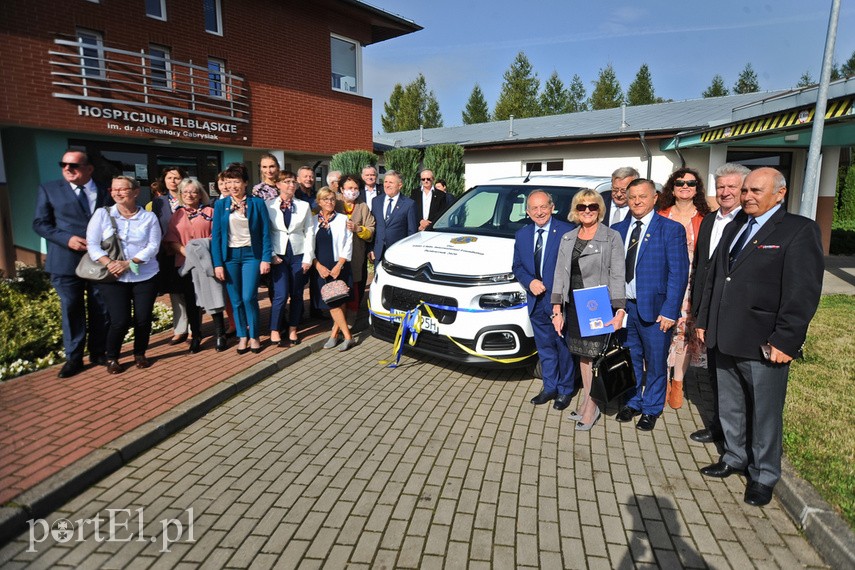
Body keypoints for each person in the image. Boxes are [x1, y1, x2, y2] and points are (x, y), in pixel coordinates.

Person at [696, 167, 823, 507]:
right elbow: (717, 278)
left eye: (756, 190)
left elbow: (803, 292)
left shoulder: (798, 230)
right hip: (724, 335)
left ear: (779, 194)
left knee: (765, 413)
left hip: (764, 341)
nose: (747, 196)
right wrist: (704, 319)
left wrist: (786, 339)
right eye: (746, 190)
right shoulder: (735, 225)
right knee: (730, 404)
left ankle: (764, 475)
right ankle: (734, 456)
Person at [613, 178, 689, 431]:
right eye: (632, 196)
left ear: (655, 198)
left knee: (656, 361)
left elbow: (678, 274)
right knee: (631, 357)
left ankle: (652, 407)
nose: (636, 201)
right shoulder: (619, 229)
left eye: (642, 196)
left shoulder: (670, 229)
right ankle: (633, 401)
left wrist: (670, 310)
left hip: (656, 310)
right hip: (626, 309)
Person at [551, 189, 626, 429]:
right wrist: (557, 309)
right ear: (575, 209)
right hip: (573, 304)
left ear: (600, 209)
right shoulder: (568, 237)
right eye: (582, 206)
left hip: (597, 305)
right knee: (583, 355)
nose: (587, 211)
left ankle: (592, 407)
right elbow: (559, 275)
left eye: (592, 206)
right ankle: (587, 401)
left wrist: (619, 310)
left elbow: (618, 275)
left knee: (595, 356)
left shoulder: (611, 237)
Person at [32, 149, 109, 377]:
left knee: (100, 308)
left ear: (89, 169)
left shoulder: (105, 189)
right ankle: (74, 359)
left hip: (98, 261)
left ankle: (99, 352)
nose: (67, 168)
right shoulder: (49, 189)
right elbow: (40, 223)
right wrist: (67, 239)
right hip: (65, 262)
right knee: (72, 309)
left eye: (73, 165)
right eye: (63, 164)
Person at [689, 163, 750, 444]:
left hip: (734, 315)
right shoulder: (710, 220)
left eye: (732, 187)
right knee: (715, 375)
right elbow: (702, 267)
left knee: (735, 382)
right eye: (721, 187)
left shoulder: (747, 223)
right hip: (708, 311)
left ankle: (736, 436)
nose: (725, 192)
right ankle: (718, 426)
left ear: (744, 190)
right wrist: (699, 312)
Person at [85, 176, 161, 374]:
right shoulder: (102, 215)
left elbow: (153, 246)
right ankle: (112, 357)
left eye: (123, 189)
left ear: (135, 192)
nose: (117, 193)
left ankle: (140, 353)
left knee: (143, 318)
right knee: (119, 320)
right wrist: (110, 263)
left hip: (145, 275)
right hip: (113, 277)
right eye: (114, 189)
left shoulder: (148, 218)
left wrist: (129, 263)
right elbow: (92, 245)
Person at [512, 190, 576, 411]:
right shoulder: (522, 235)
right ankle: (549, 387)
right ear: (528, 212)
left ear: (552, 207)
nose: (539, 212)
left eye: (543, 207)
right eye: (534, 208)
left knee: (563, 347)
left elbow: (572, 269)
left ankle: (566, 390)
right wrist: (529, 282)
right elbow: (517, 266)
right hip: (535, 301)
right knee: (545, 348)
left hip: (560, 302)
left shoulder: (567, 232)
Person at [656, 168, 711, 409]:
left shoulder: (706, 218)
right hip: (663, 283)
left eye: (690, 183)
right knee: (660, 332)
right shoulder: (660, 214)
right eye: (680, 183)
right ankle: (662, 379)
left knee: (683, 336)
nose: (685, 186)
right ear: (672, 187)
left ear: (697, 188)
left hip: (691, 286)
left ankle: (677, 381)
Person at [211, 163, 272, 354]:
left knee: (249, 297)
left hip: (251, 256)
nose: (232, 186)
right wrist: (218, 263)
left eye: (236, 181)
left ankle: (254, 335)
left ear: (245, 183)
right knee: (235, 299)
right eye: (229, 182)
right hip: (230, 257)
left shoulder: (257, 203)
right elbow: (217, 236)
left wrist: (265, 258)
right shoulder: (221, 205)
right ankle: (242, 336)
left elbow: (265, 233)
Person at [164, 178, 226, 352]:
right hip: (185, 265)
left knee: (213, 297)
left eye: (193, 192)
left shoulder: (210, 212)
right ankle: (196, 336)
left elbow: (217, 236)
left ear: (200, 194)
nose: (190, 195)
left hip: (207, 263)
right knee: (192, 302)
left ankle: (220, 334)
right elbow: (171, 239)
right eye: (185, 192)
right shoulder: (177, 214)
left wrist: (199, 253)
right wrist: (189, 254)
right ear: (181, 195)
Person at [266, 171, 314, 347]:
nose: (291, 185)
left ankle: (293, 328)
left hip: (298, 254)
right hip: (278, 255)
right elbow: (265, 233)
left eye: (293, 182)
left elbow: (309, 232)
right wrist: (270, 254)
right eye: (286, 181)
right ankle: (275, 329)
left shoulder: (303, 206)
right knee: (280, 294)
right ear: (278, 184)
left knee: (296, 293)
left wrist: (308, 257)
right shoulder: (268, 205)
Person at [151, 166, 191, 346]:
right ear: (164, 180)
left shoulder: (190, 197)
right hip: (168, 252)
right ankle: (179, 329)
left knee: (191, 291)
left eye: (177, 178)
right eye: (169, 178)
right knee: (175, 292)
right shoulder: (159, 202)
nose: (173, 181)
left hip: (188, 251)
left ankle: (193, 329)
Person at [312, 188, 356, 351]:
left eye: (331, 199)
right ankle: (341, 335)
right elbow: (309, 248)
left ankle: (342, 336)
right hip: (322, 267)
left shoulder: (343, 219)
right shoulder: (312, 221)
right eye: (325, 199)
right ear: (319, 202)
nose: (329, 202)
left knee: (338, 300)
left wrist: (339, 265)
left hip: (339, 265)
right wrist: (317, 266)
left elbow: (348, 244)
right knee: (333, 302)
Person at [339, 174, 375, 318]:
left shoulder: (363, 206)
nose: (352, 191)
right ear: (342, 189)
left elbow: (371, 230)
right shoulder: (333, 202)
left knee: (354, 284)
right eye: (349, 188)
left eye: (355, 188)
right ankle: (338, 317)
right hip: (337, 253)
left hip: (356, 253)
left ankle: (351, 316)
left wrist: (358, 229)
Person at [370, 170, 418, 263]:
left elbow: (412, 231)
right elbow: (373, 226)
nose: (387, 185)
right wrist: (371, 249)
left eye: (391, 182)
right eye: (385, 182)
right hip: (378, 252)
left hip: (398, 253)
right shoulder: (376, 201)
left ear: (400, 186)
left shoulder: (409, 204)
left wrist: (407, 252)